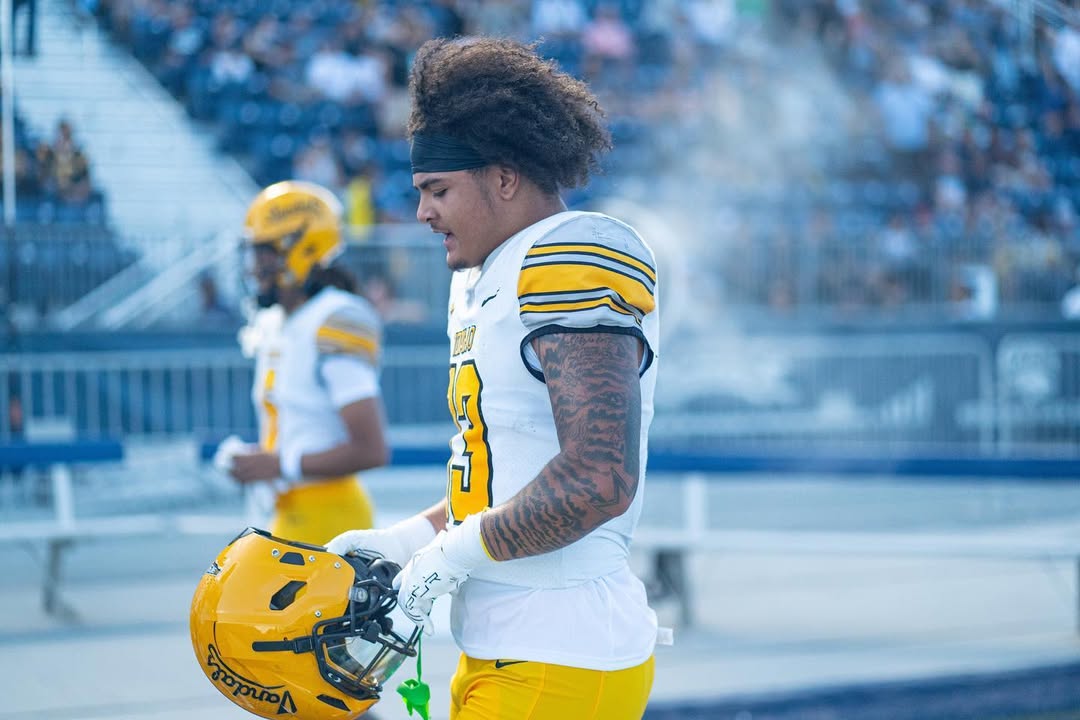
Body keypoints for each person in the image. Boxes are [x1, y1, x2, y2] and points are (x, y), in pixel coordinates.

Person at [327, 37, 662, 719]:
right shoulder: (486, 276)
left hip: (563, 648)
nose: (423, 213)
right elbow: (503, 477)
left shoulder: (569, 255)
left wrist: (451, 556)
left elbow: (599, 477)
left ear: (504, 178)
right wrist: (409, 541)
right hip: (505, 648)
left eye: (438, 190)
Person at [218, 180, 390, 546]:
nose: (255, 268)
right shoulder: (282, 320)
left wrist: (279, 463)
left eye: (265, 254)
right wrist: (260, 460)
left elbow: (371, 448)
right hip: (289, 514)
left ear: (303, 248)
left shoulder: (335, 318)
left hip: (330, 517)